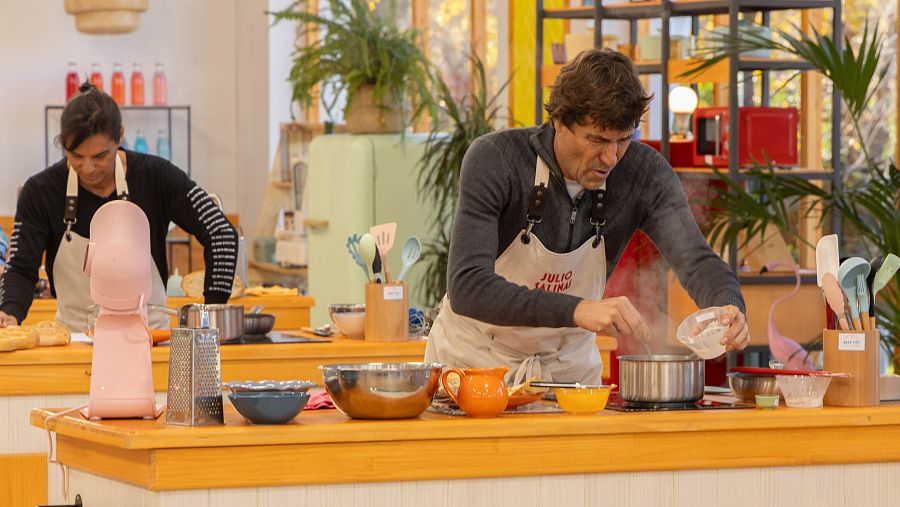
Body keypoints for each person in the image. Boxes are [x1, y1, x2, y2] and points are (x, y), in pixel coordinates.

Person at [424, 48, 749, 386]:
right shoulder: (496, 160)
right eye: (597, 139)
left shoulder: (644, 173)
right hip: (475, 365)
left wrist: (728, 307)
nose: (610, 158)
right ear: (560, 121)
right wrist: (577, 309)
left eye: (623, 140)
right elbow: (468, 286)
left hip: (567, 374)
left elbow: (697, 261)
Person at [0, 83, 238, 331]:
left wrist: (212, 313)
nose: (88, 168)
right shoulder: (40, 191)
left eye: (100, 156)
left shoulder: (157, 177)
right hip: (75, 343)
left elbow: (222, 234)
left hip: (150, 340)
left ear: (120, 136)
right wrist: (9, 312)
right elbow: (20, 267)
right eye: (76, 157)